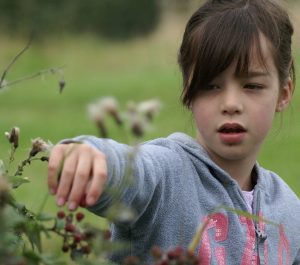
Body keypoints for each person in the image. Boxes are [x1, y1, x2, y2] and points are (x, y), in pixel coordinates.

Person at [47, 0, 300, 264]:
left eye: (252, 85)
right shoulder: (166, 176)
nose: (231, 104)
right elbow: (132, 171)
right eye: (211, 86)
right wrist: (90, 155)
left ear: (283, 93)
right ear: (188, 93)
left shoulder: (290, 211)